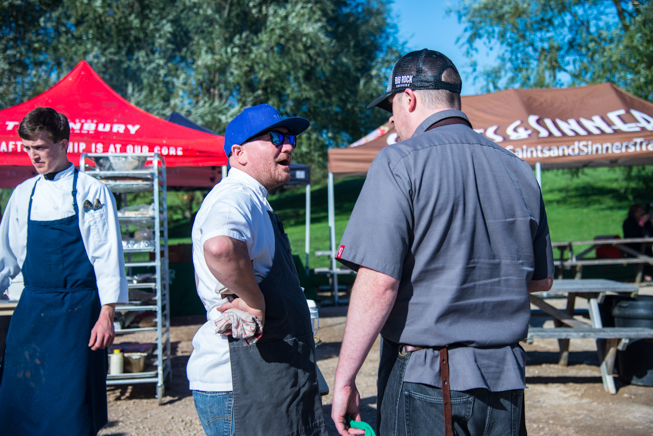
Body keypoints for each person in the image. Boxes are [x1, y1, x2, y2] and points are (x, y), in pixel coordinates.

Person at [331, 49, 555, 436]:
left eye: (391, 106)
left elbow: (379, 282)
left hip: (427, 377)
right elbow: (541, 280)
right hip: (504, 378)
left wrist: (345, 380)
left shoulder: (398, 162)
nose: (391, 120)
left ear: (409, 98)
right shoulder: (518, 168)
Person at [187, 103, 328, 436]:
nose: (288, 146)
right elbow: (220, 247)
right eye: (276, 138)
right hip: (241, 381)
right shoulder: (236, 196)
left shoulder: (253, 198)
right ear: (239, 153)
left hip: (261, 377)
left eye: (290, 139)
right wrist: (254, 301)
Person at [0, 107, 128, 435]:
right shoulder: (23, 194)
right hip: (33, 310)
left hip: (78, 312)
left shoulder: (90, 191)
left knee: (72, 407)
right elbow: (6, 256)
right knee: (21, 400)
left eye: (40, 147)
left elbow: (107, 255)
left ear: (63, 144)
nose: (33, 155)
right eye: (28, 148)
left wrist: (107, 314)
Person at [622, 203, 653, 281]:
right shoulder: (628, 222)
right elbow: (634, 235)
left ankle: (648, 274)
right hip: (632, 248)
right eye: (639, 211)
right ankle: (647, 275)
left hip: (646, 246)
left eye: (642, 210)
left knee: (647, 251)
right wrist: (641, 223)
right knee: (645, 254)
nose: (642, 213)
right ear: (633, 213)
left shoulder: (647, 223)